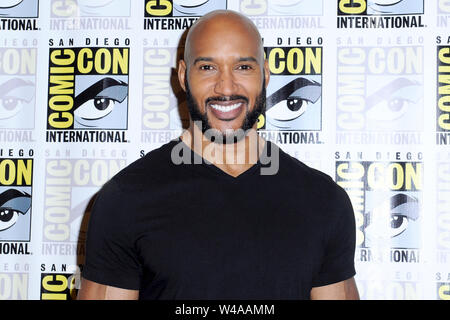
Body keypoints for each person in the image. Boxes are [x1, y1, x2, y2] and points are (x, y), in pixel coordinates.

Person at [77, 10, 359, 300]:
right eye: (208, 67)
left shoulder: (323, 201)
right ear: (184, 76)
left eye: (244, 68)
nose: (226, 87)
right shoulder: (126, 199)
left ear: (266, 75)